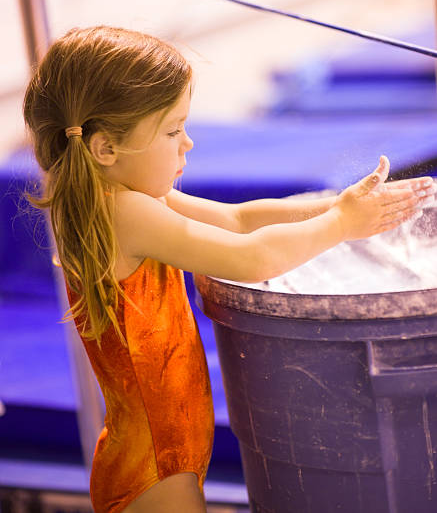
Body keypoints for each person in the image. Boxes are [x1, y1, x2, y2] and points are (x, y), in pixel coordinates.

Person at [23, 26, 435, 513]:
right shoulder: (124, 213)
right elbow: (251, 257)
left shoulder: (126, 198)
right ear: (105, 148)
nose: (189, 144)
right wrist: (342, 224)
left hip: (166, 450)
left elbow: (240, 220)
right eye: (173, 130)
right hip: (154, 466)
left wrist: (338, 205)